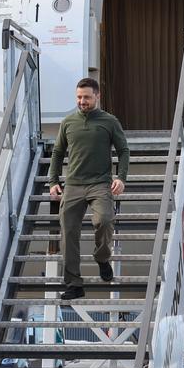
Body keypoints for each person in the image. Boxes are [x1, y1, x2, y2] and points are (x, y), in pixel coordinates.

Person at [47, 77, 130, 301]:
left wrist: (121, 178)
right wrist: (53, 180)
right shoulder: (68, 122)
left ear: (97, 96)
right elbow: (57, 152)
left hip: (100, 184)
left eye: (86, 97)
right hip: (73, 185)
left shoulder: (109, 121)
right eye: (79, 97)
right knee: (68, 232)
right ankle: (74, 284)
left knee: (103, 221)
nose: (82, 101)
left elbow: (123, 151)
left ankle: (102, 258)